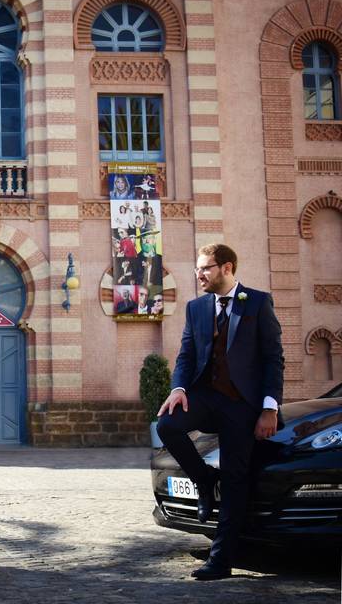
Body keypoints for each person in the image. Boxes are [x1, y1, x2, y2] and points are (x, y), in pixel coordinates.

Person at [156, 244, 284, 580]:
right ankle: (203, 479)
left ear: (226, 268)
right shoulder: (196, 308)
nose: (199, 275)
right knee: (168, 425)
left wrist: (269, 408)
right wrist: (178, 389)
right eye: (197, 269)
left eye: (205, 269)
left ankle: (220, 560)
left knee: (234, 478)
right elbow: (186, 355)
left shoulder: (257, 302)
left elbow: (273, 359)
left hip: (242, 404)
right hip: (205, 397)